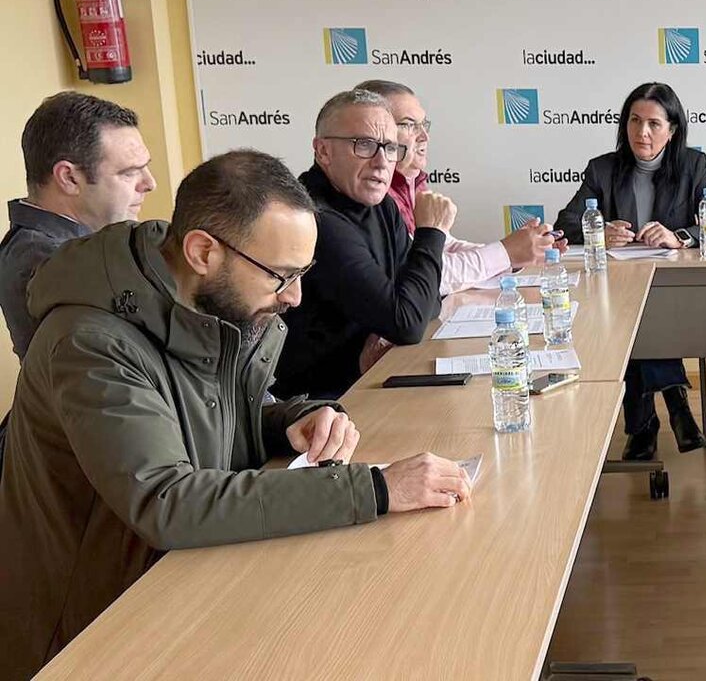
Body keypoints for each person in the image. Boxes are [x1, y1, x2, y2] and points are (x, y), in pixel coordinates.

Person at [0, 150, 472, 679]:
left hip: (191, 580)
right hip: (93, 631)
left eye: (302, 274)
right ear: (203, 251)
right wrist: (377, 488)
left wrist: (293, 418)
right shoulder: (90, 342)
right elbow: (169, 500)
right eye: (281, 275)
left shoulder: (205, 300)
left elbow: (218, 414)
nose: (294, 296)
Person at [555, 82, 706, 461]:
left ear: (673, 130)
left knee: (642, 319)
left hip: (674, 291)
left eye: (652, 123)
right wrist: (598, 229)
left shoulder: (692, 167)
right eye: (634, 121)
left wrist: (679, 236)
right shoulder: (603, 169)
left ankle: (643, 427)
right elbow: (564, 222)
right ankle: (675, 400)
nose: (641, 132)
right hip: (617, 290)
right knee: (629, 319)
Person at [274, 89, 456, 399]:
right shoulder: (315, 217)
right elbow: (408, 321)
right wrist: (431, 232)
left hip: (372, 380)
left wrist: (403, 314)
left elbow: (427, 300)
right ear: (323, 152)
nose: (382, 162)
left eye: (391, 148)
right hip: (314, 407)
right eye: (365, 145)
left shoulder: (381, 205)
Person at [355, 79, 558, 293]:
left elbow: (444, 248)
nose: (424, 136)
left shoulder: (412, 183)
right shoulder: (372, 194)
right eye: (408, 125)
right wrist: (507, 252)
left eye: (423, 124)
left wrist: (522, 250)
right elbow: (428, 275)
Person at [2, 92, 155, 360]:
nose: (149, 183)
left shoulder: (77, 248)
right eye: (129, 172)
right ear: (69, 178)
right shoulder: (46, 262)